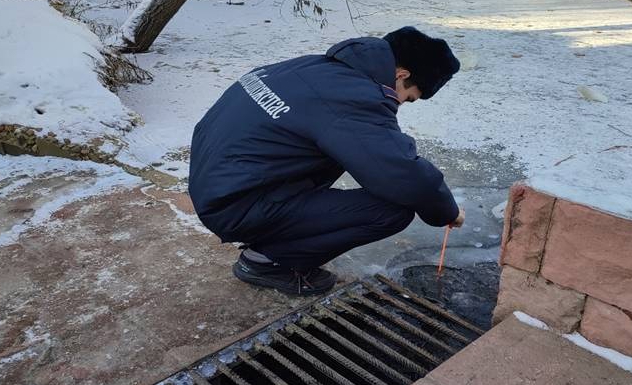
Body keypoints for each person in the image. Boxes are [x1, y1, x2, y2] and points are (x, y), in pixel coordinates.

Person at [188, 26, 464, 296]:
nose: (400, 104)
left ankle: (271, 236)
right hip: (236, 204)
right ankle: (266, 261)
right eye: (408, 97)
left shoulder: (316, 67)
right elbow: (402, 174)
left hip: (217, 182)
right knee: (392, 211)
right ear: (401, 74)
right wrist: (447, 212)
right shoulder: (355, 98)